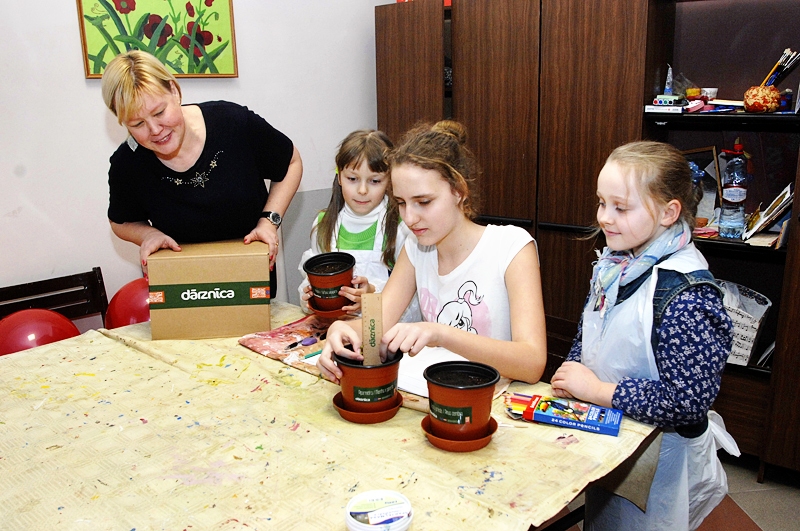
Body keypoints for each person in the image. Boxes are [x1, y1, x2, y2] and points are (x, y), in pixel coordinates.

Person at [549, 141, 740, 530]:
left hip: (661, 461)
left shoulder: (687, 296)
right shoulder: (615, 265)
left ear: (669, 212)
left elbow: (685, 401)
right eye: (602, 203)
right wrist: (574, 362)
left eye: (621, 207)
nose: (604, 217)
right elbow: (595, 326)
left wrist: (597, 391)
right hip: (615, 437)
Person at [317, 120, 547, 385]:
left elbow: (532, 363)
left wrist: (441, 334)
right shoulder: (416, 249)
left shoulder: (511, 247)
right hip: (439, 395)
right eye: (401, 203)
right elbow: (376, 325)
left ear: (459, 191)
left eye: (423, 202)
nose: (410, 218)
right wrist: (341, 330)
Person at [101, 50, 302, 278]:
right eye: (137, 124)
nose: (155, 130)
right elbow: (121, 220)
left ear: (175, 91)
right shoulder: (127, 163)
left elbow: (291, 162)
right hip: (183, 286)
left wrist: (269, 222)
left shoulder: (233, 123)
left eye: (160, 112)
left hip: (251, 276)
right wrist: (148, 235)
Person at [297, 129, 419, 320]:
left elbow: (413, 296)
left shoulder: (401, 227)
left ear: (389, 181)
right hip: (335, 330)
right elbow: (309, 279)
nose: (362, 190)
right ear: (339, 177)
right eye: (352, 179)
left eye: (375, 181)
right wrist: (308, 297)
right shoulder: (323, 225)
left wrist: (372, 295)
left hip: (387, 332)